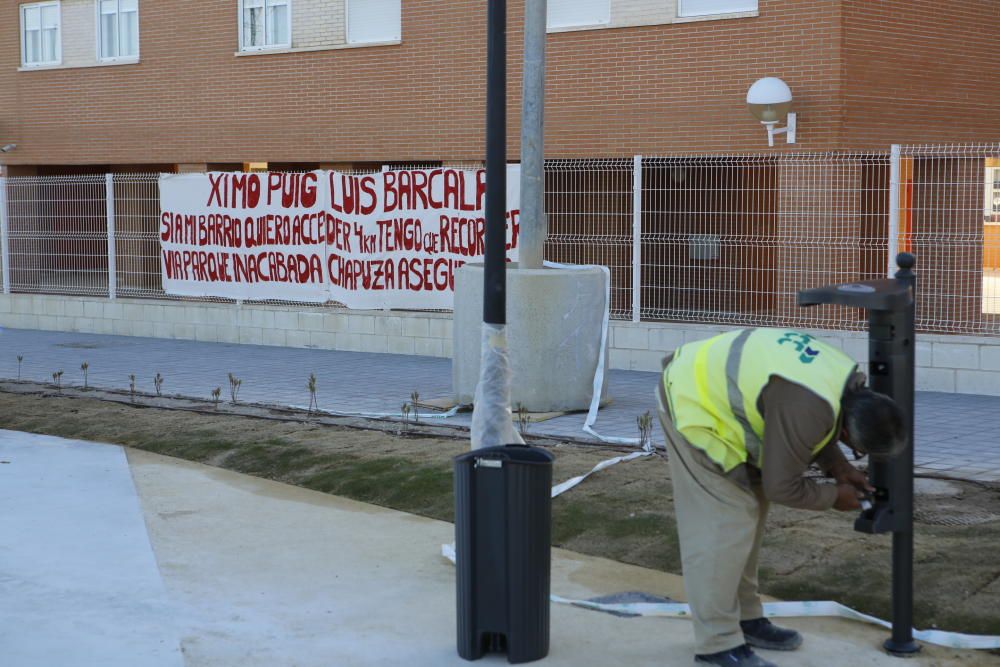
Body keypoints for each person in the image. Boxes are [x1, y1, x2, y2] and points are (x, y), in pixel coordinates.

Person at [656, 328, 907, 667]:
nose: (855, 452)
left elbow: (808, 422)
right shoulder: (808, 405)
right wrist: (835, 496)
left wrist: (839, 466)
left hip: (721, 399)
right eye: (858, 449)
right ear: (848, 431)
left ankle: (746, 619)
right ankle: (716, 646)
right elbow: (783, 486)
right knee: (724, 525)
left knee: (750, 518)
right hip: (693, 404)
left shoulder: (844, 382)